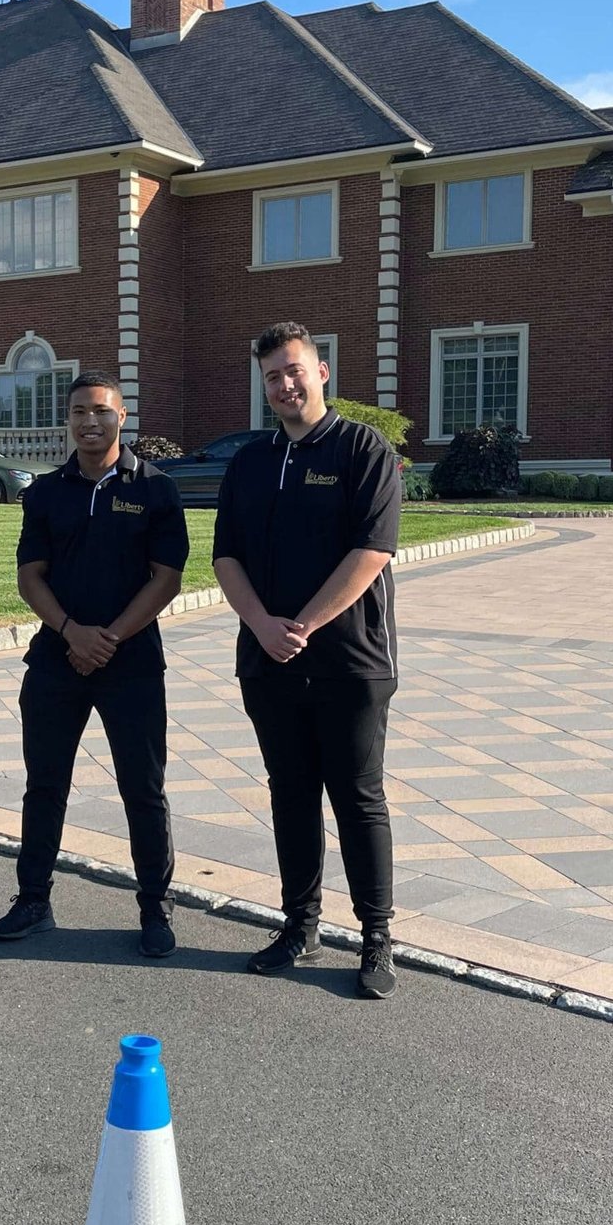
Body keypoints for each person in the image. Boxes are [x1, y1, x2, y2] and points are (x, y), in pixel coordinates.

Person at [212, 322, 401, 997]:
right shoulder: (250, 462)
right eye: (272, 376)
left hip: (351, 661)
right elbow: (225, 555)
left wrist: (305, 624)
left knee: (357, 796)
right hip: (268, 661)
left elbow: (372, 549)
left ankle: (377, 937)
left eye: (294, 370)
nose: (285, 384)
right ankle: (300, 925)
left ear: (321, 371)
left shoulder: (362, 449)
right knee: (290, 794)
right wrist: (261, 625)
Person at [0, 371, 189, 959]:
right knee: (44, 785)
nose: (89, 421)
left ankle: (155, 905)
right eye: (79, 411)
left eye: (101, 410)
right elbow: (30, 576)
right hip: (57, 659)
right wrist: (71, 632)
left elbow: (167, 578)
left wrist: (110, 638)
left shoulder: (156, 490)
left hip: (132, 663)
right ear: (69, 419)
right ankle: (33, 900)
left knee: (143, 789)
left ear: (121, 416)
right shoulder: (46, 493)